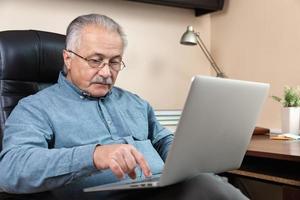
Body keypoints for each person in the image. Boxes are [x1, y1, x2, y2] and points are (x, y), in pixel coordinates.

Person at [0, 14, 248, 200]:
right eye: (95, 61)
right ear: (68, 58)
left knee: (211, 184)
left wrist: (188, 156)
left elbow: (163, 141)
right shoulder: (36, 107)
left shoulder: (135, 103)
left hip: (166, 189)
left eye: (115, 62)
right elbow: (11, 170)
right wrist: (95, 155)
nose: (106, 72)